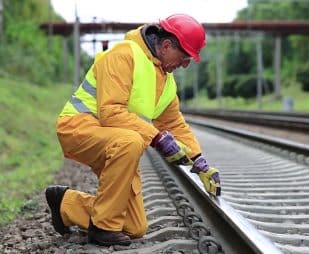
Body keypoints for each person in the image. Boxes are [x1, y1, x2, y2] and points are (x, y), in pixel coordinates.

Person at [45, 14, 220, 247]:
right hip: (78, 126)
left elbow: (174, 123)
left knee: (134, 226)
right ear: (167, 46)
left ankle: (65, 203)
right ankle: (102, 227)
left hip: (112, 139)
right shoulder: (124, 55)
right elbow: (111, 112)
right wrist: (156, 138)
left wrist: (200, 162)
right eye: (185, 57)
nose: (186, 64)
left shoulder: (166, 82)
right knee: (133, 141)